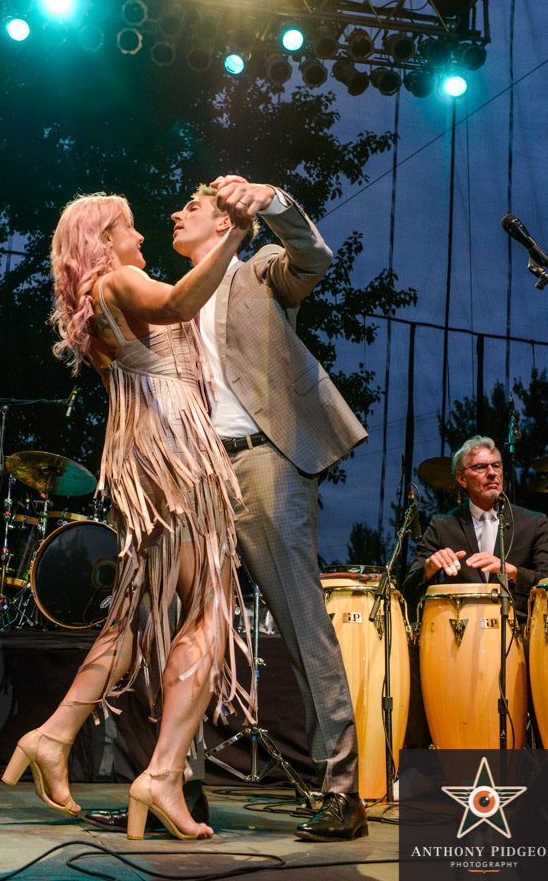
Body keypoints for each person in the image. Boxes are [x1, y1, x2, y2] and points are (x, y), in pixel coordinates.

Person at [2, 191, 257, 841]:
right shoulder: (122, 278)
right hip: (176, 457)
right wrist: (236, 236)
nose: (143, 237)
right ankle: (163, 772)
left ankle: (55, 736)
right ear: (105, 239)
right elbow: (176, 305)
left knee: (135, 618)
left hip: (147, 451)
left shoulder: (98, 301)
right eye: (131, 229)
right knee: (208, 609)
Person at [172, 174, 369, 842]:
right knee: (188, 625)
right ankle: (179, 784)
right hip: (198, 470)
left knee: (299, 619)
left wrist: (273, 198)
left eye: (190, 207)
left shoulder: (255, 271)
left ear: (225, 222)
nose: (175, 213)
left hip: (264, 459)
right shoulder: (172, 299)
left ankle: (341, 790)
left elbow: (313, 258)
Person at [402, 435, 548, 622]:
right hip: (459, 635)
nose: (492, 473)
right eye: (480, 467)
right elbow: (409, 595)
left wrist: (511, 572)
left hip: (521, 634)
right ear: (462, 479)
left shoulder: (534, 522)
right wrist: (428, 569)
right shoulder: (443, 525)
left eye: (496, 465)